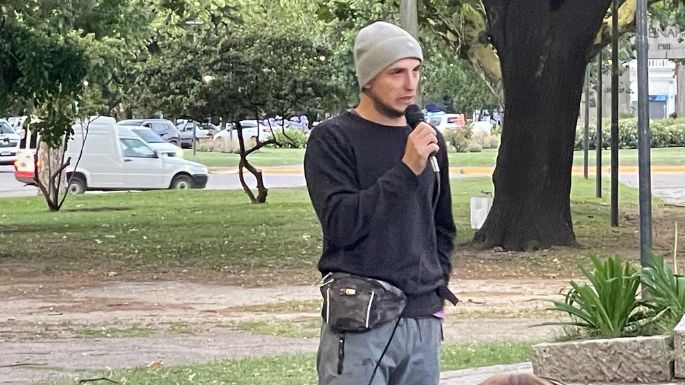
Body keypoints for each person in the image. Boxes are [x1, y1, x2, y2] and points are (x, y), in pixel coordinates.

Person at [304, 21, 457, 385]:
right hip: (362, 320)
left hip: (422, 319)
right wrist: (406, 170)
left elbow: (442, 226)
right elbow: (341, 224)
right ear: (368, 79)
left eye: (416, 71)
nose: (410, 84)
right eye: (397, 73)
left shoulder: (427, 138)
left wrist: (437, 285)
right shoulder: (333, 139)